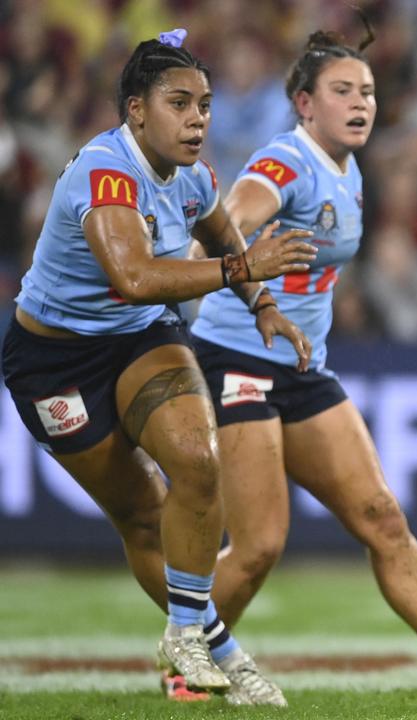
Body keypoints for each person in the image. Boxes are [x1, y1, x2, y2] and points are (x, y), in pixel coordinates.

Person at [188, 24, 417, 697]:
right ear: (303, 103)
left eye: (369, 91)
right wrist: (248, 270)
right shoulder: (285, 162)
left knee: (382, 515)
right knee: (262, 542)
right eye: (342, 91)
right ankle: (192, 661)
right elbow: (230, 217)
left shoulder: (349, 170)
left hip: (300, 367)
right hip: (236, 357)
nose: (362, 103)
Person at [0, 31, 317, 705]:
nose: (199, 117)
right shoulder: (106, 173)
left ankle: (183, 637)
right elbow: (135, 277)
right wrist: (245, 269)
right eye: (180, 103)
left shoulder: (193, 174)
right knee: (141, 515)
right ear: (136, 110)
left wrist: (261, 304)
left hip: (139, 337)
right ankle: (220, 649)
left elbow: (220, 230)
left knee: (199, 462)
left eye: (204, 103)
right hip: (53, 363)